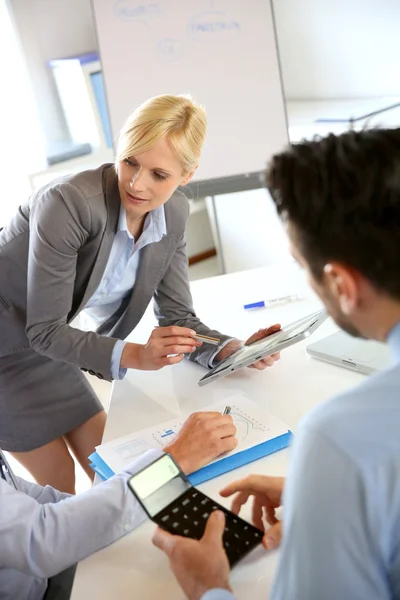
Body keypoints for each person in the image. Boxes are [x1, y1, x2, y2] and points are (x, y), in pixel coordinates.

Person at [153, 127, 400, 600]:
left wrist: (209, 587)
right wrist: (333, 495)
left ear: (342, 285)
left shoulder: (342, 440)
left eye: (300, 266)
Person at [0, 94, 279, 493]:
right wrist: (137, 354)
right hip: (10, 348)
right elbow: (44, 330)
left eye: (159, 175)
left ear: (187, 174)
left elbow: (179, 318)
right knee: (59, 490)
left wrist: (229, 350)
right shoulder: (68, 202)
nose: (136, 184)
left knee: (111, 467)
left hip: (51, 345)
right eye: (130, 162)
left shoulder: (173, 214)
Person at [0, 409, 238, 600]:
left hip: (40, 577)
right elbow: (43, 539)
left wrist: (126, 501)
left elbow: (35, 499)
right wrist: (172, 462)